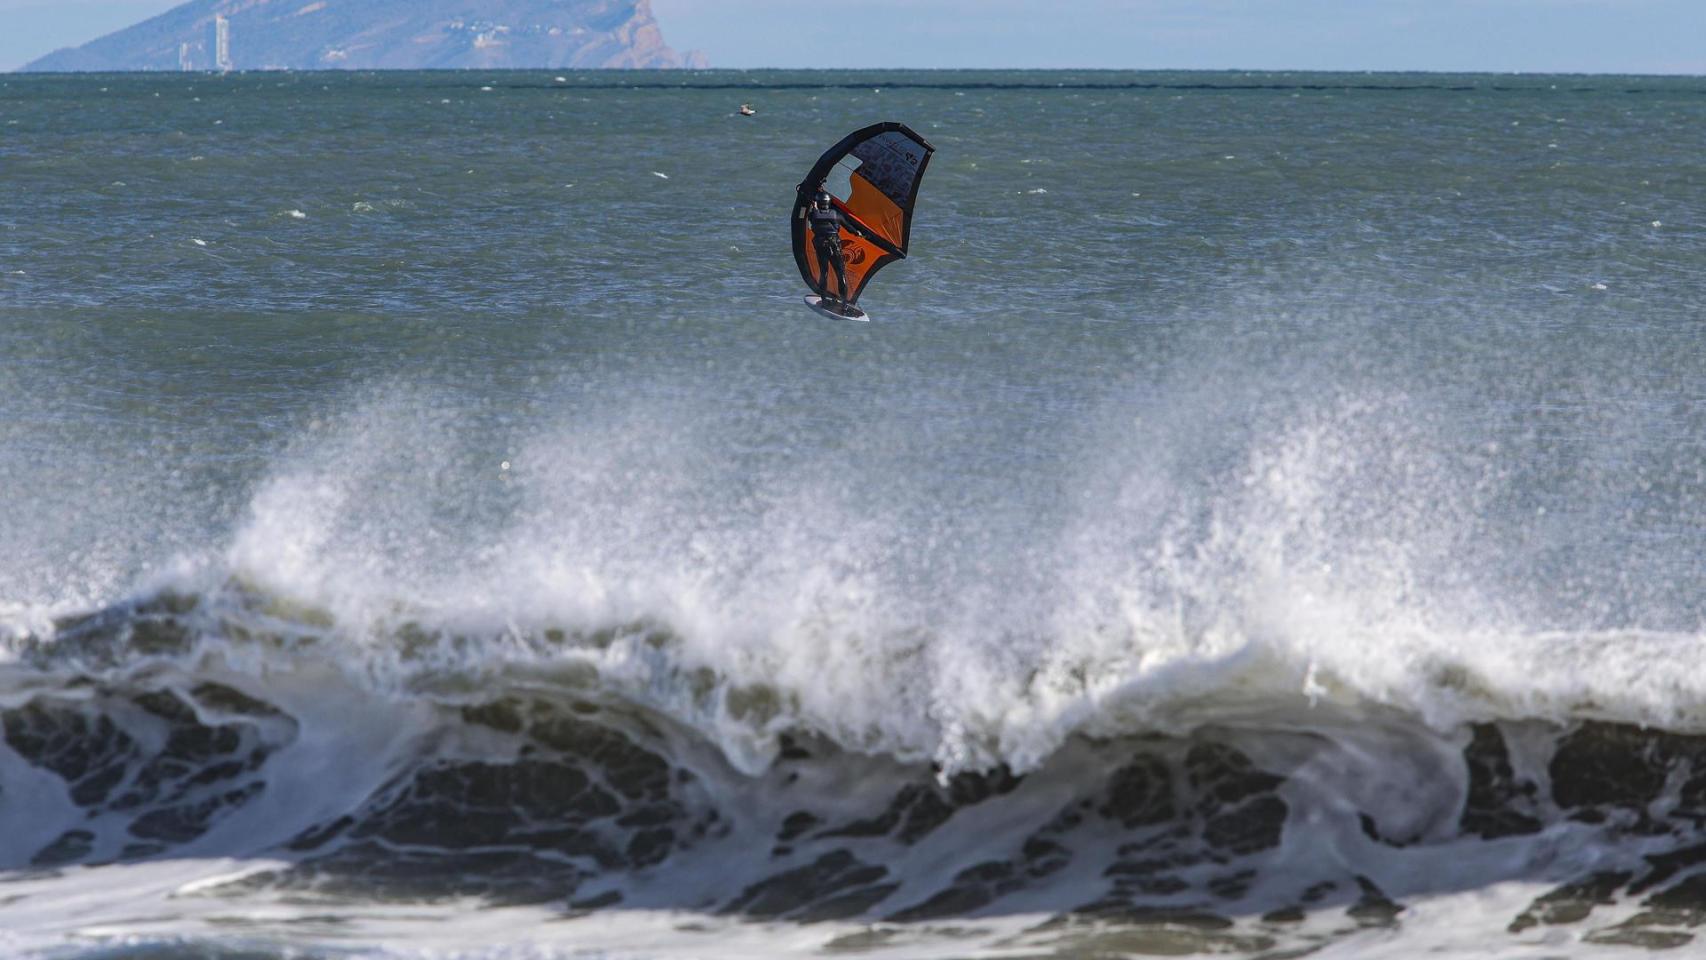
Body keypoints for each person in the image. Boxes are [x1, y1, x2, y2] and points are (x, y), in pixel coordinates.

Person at [807, 189, 851, 312]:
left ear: (818, 203)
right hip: (834, 246)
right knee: (840, 274)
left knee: (824, 273)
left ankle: (824, 300)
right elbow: (850, 228)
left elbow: (814, 215)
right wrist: (859, 233)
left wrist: (815, 207)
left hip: (821, 247)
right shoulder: (836, 214)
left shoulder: (813, 215)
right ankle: (844, 305)